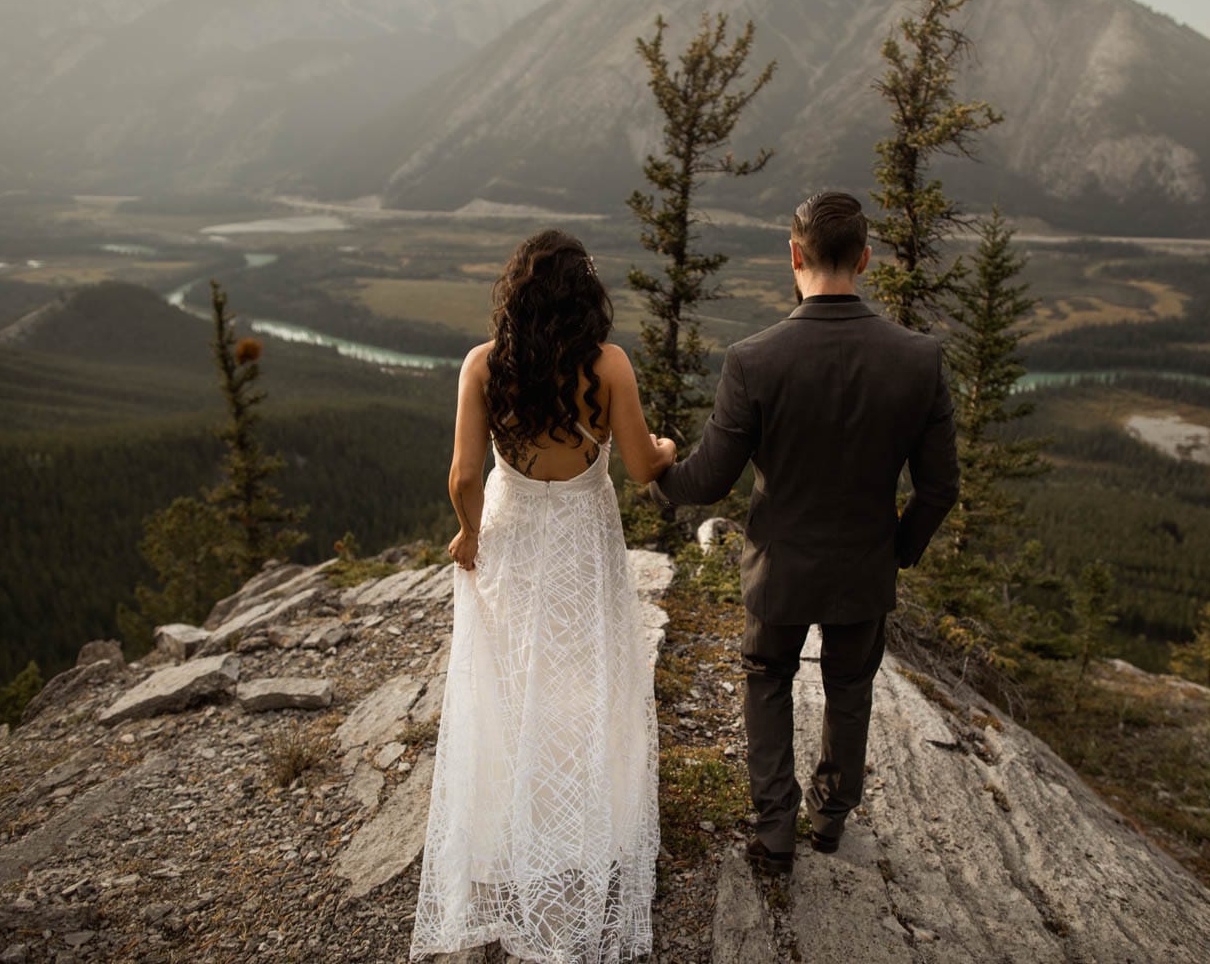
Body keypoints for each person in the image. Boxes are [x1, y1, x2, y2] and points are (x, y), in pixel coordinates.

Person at [650, 191, 960, 875]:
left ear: (794, 256)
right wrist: (898, 551)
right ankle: (829, 817)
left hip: (780, 566)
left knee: (766, 677)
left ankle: (775, 831)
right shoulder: (918, 358)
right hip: (865, 565)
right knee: (850, 688)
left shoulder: (755, 359)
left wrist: (657, 470)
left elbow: (705, 483)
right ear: (865, 259)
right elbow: (940, 488)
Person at [410, 230, 676, 964]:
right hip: (583, 538)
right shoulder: (610, 365)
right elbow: (644, 464)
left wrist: (468, 535)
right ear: (585, 297)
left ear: (516, 296)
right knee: (585, 671)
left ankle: (511, 819)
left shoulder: (484, 366)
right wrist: (670, 450)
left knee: (510, 674)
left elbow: (464, 476)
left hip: (513, 531)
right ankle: (581, 815)